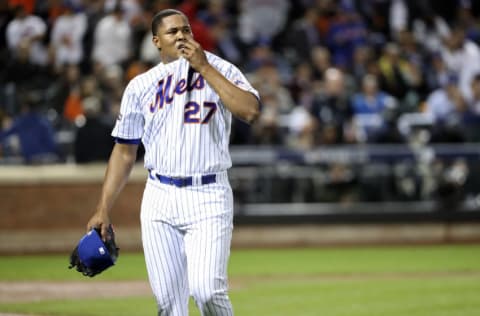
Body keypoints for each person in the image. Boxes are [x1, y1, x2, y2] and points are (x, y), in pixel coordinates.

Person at [85, 8, 260, 316]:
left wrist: (204, 67)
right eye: (172, 32)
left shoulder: (221, 69)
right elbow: (124, 152)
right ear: (156, 41)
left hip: (208, 195)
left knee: (207, 291)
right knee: (169, 304)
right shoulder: (140, 86)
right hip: (159, 197)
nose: (181, 35)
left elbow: (250, 111)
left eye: (186, 30)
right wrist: (103, 208)